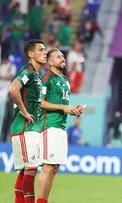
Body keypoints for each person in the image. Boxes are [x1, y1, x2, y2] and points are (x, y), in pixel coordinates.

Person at [37, 48, 84, 203]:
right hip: (49, 126)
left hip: (61, 127)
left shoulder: (64, 80)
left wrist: (72, 110)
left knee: (54, 168)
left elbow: (62, 104)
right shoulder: (46, 78)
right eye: (58, 57)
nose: (62, 58)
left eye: (63, 56)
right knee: (48, 168)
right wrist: (63, 108)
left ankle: (44, 200)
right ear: (50, 62)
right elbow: (41, 103)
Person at [8, 39, 47, 203]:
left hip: (31, 128)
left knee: (25, 171)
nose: (45, 52)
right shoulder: (28, 71)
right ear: (31, 54)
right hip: (25, 128)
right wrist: (24, 111)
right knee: (30, 170)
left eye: (45, 50)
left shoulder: (37, 75)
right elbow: (13, 88)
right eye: (41, 50)